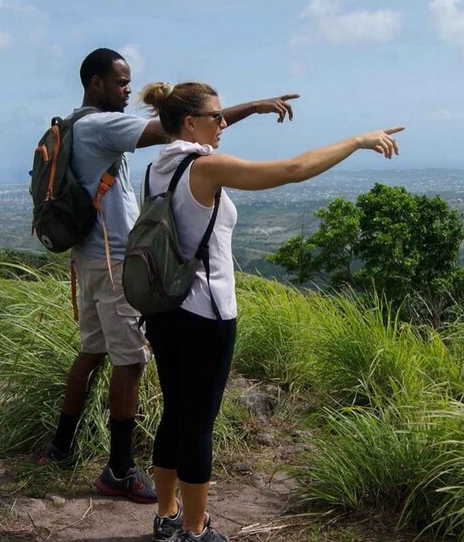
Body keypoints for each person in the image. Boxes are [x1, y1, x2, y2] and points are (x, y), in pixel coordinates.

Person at [138, 80, 403, 541]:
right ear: (189, 123)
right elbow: (294, 169)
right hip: (206, 314)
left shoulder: (154, 169)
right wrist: (357, 140)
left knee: (175, 413)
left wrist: (256, 108)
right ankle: (196, 530)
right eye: (216, 116)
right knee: (199, 424)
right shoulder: (205, 167)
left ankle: (167, 516)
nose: (223, 123)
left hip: (164, 309)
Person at [40, 48, 302, 506]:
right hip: (117, 259)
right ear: (95, 83)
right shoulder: (102, 125)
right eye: (120, 83)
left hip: (88, 258)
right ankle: (119, 469)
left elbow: (186, 126)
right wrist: (251, 109)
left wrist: (223, 114)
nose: (127, 90)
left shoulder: (74, 126)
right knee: (130, 361)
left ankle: (59, 448)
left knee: (93, 350)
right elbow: (177, 126)